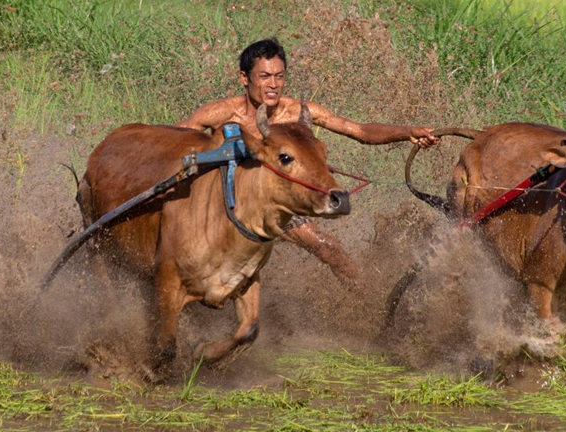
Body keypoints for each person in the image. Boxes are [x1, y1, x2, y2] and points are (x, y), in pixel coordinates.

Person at [177, 38, 439, 284]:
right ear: (244, 78)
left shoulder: (297, 112)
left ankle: (370, 311)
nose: (273, 85)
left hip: (280, 203)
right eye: (265, 76)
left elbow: (358, 131)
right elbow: (174, 138)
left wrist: (407, 132)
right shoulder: (223, 113)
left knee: (330, 249)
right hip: (229, 206)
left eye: (279, 76)